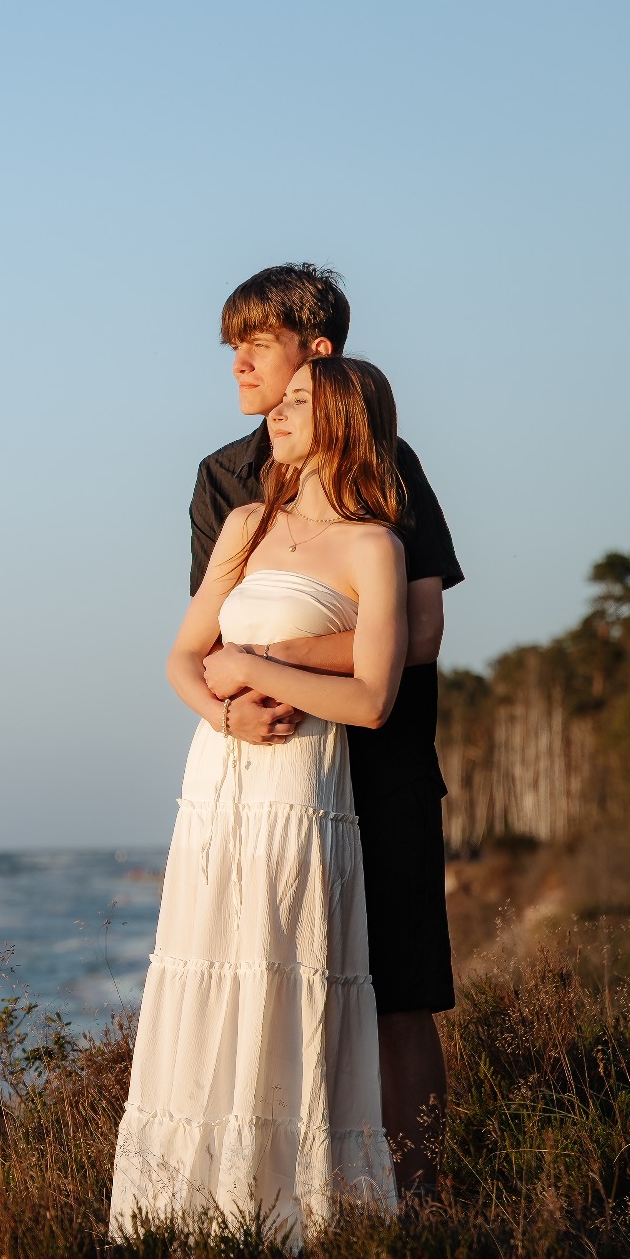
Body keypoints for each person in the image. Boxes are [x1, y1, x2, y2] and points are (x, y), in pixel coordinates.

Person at [108, 353, 405, 1244]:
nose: (277, 411)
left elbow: (372, 698)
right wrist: (224, 711)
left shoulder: (374, 546)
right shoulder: (245, 523)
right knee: (205, 972)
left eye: (300, 401)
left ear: (343, 420)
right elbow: (181, 657)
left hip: (299, 790)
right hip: (218, 782)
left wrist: (255, 666)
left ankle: (289, 1221)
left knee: (281, 975)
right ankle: (180, 1222)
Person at [189, 263, 462, 1196]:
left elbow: (418, 632)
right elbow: (209, 640)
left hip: (380, 769)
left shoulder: (390, 463)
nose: (239, 364)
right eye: (232, 346)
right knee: (261, 988)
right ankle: (277, 1202)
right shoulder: (224, 480)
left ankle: (419, 1215)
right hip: (271, 777)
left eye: (256, 344)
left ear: (319, 353)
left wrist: (278, 659)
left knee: (399, 995)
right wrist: (230, 704)